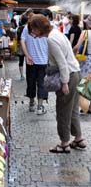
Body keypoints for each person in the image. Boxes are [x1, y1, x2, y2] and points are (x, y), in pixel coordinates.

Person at [28, 14, 86, 153]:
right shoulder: (56, 33)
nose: (32, 33)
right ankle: (78, 138)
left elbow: (62, 63)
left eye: (33, 30)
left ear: (39, 28)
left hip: (68, 76)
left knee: (63, 111)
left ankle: (64, 143)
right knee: (72, 110)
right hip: (76, 73)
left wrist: (64, 83)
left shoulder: (51, 40)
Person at [21, 14, 48, 115]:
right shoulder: (45, 29)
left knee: (31, 82)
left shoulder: (26, 28)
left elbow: (22, 41)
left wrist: (27, 55)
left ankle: (32, 104)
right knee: (42, 84)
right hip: (43, 61)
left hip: (31, 60)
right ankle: (40, 107)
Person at [73, 15, 91, 113]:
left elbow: (77, 46)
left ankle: (84, 108)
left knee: (84, 84)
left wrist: (71, 53)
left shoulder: (85, 32)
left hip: (87, 61)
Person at [17, 15, 28, 80]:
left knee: (21, 61)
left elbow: (17, 37)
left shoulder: (19, 28)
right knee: (28, 60)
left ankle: (21, 75)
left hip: (20, 45)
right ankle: (27, 74)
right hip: (27, 45)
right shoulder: (27, 28)